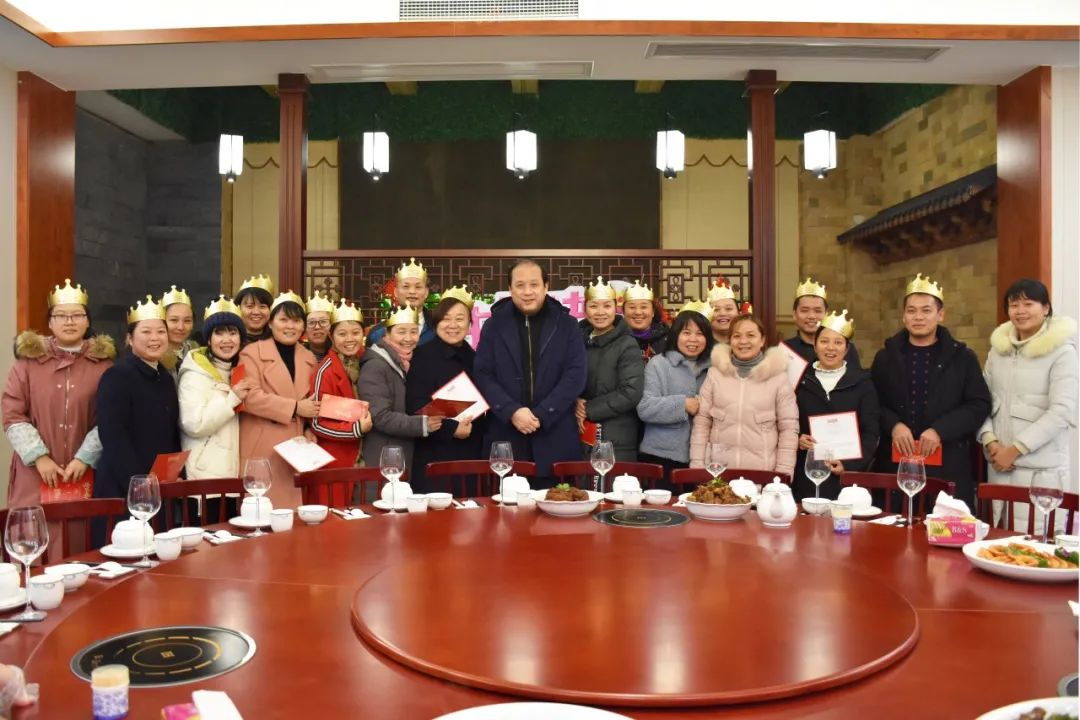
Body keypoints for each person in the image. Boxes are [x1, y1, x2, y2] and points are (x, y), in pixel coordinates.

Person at [3, 279, 114, 559]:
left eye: (77, 315)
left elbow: (110, 418)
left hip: (83, 471)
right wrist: (39, 457)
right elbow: (12, 414)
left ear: (87, 321)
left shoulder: (104, 366)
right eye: (61, 316)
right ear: (50, 322)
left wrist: (85, 457)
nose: (69, 321)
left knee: (80, 547)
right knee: (32, 545)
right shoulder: (27, 363)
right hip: (34, 473)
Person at [870, 274, 991, 507]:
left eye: (926, 310)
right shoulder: (885, 357)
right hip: (895, 464)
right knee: (892, 526)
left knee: (943, 526)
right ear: (904, 316)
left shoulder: (962, 357)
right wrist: (894, 425)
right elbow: (872, 402)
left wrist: (940, 430)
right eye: (912, 311)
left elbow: (979, 404)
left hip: (947, 464)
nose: (918, 317)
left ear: (940, 315)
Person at [474, 259, 587, 480]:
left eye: (534, 285)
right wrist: (511, 411)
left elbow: (576, 374)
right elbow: (483, 373)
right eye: (520, 285)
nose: (527, 292)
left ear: (546, 287)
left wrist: (543, 413)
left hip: (555, 433)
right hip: (506, 434)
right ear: (510, 288)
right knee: (506, 500)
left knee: (558, 498)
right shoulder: (494, 325)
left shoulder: (567, 324)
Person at [978, 278, 1077, 529]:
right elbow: (981, 400)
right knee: (997, 540)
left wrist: (1015, 450)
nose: (1020, 311)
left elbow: (1062, 411)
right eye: (1014, 305)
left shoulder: (1062, 351)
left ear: (1046, 308)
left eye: (1028, 304)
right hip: (998, 466)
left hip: (1041, 471)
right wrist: (990, 440)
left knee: (1037, 542)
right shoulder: (998, 351)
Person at [238, 291, 319, 510]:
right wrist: (295, 408)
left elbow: (311, 401)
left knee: (293, 516)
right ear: (271, 323)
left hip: (296, 449)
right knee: (262, 514)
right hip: (263, 446)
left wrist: (308, 428)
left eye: (296, 321)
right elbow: (249, 397)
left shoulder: (309, 358)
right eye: (283, 320)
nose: (290, 326)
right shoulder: (251, 353)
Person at [94, 296, 181, 500]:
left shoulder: (165, 378)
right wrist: (138, 483)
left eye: (161, 332)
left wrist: (174, 473)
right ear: (130, 338)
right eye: (146, 332)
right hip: (124, 489)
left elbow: (171, 433)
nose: (155, 338)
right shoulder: (117, 376)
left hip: (159, 487)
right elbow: (113, 436)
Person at [690, 314, 798, 475]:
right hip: (718, 473)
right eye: (737, 336)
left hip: (763, 475)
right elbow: (702, 423)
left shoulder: (778, 378)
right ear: (730, 340)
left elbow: (788, 428)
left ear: (762, 340)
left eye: (751, 335)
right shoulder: (715, 374)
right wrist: (697, 467)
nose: (743, 341)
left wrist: (783, 475)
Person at [406, 289, 486, 493]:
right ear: (436, 323)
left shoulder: (475, 358)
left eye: (459, 319)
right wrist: (451, 429)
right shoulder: (422, 355)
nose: (453, 325)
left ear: (470, 324)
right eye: (446, 319)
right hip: (435, 452)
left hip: (471, 452)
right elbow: (415, 405)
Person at [794, 310, 879, 501]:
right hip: (806, 474)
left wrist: (849, 465)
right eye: (824, 341)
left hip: (847, 481)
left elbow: (870, 432)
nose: (830, 348)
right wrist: (798, 439)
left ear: (847, 349)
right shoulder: (799, 381)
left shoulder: (862, 383)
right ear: (815, 345)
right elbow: (786, 424)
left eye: (838, 342)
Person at [637, 301, 714, 486]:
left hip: (703, 457)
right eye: (686, 333)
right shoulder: (658, 364)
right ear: (676, 334)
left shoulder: (715, 368)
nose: (693, 339)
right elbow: (645, 408)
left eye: (700, 334)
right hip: (660, 457)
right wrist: (683, 404)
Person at [178, 296, 253, 480]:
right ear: (209, 340)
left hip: (231, 472)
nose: (227, 340)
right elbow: (194, 424)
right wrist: (231, 399)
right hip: (204, 476)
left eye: (233, 333)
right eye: (219, 333)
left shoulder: (238, 371)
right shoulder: (195, 373)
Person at [358, 305, 439, 474]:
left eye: (413, 331)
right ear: (387, 334)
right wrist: (423, 424)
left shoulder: (407, 362)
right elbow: (380, 416)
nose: (408, 338)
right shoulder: (376, 365)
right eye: (401, 332)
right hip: (382, 457)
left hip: (400, 454)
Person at [310, 299, 373, 505]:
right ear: (331, 336)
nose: (350, 339)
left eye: (355, 333)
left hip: (368, 456)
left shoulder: (370, 362)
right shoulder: (325, 371)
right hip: (337, 459)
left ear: (363, 333)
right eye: (342, 334)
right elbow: (317, 423)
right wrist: (355, 430)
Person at [575, 276, 644, 462]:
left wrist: (587, 409)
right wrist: (574, 402)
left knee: (612, 480)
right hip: (580, 433)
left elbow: (631, 392)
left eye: (606, 306)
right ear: (585, 309)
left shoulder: (627, 344)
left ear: (616, 308)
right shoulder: (576, 341)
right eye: (593, 306)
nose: (600, 312)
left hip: (617, 437)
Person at [784, 277, 860, 367]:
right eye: (804, 310)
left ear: (826, 314)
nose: (811, 316)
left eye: (817, 311)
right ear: (794, 314)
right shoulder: (784, 350)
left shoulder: (845, 349)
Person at [366, 258, 436, 348]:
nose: (412, 291)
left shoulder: (437, 330)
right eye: (406, 286)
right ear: (396, 292)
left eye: (418, 287)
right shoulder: (378, 333)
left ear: (426, 292)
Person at [622, 280, 667, 362]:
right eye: (632, 307)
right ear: (623, 312)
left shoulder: (669, 340)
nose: (638, 312)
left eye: (643, 307)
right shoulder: (615, 340)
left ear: (653, 312)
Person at [233, 274, 275, 346]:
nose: (256, 312)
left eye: (262, 306)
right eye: (250, 306)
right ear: (238, 308)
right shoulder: (230, 343)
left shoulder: (279, 342)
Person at [304, 290, 334, 363]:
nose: (317, 327)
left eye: (323, 321)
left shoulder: (342, 355)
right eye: (311, 322)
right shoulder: (297, 356)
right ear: (305, 328)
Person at [707, 279, 740, 344]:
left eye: (728, 309)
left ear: (738, 313)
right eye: (716, 309)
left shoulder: (745, 343)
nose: (722, 313)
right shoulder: (699, 344)